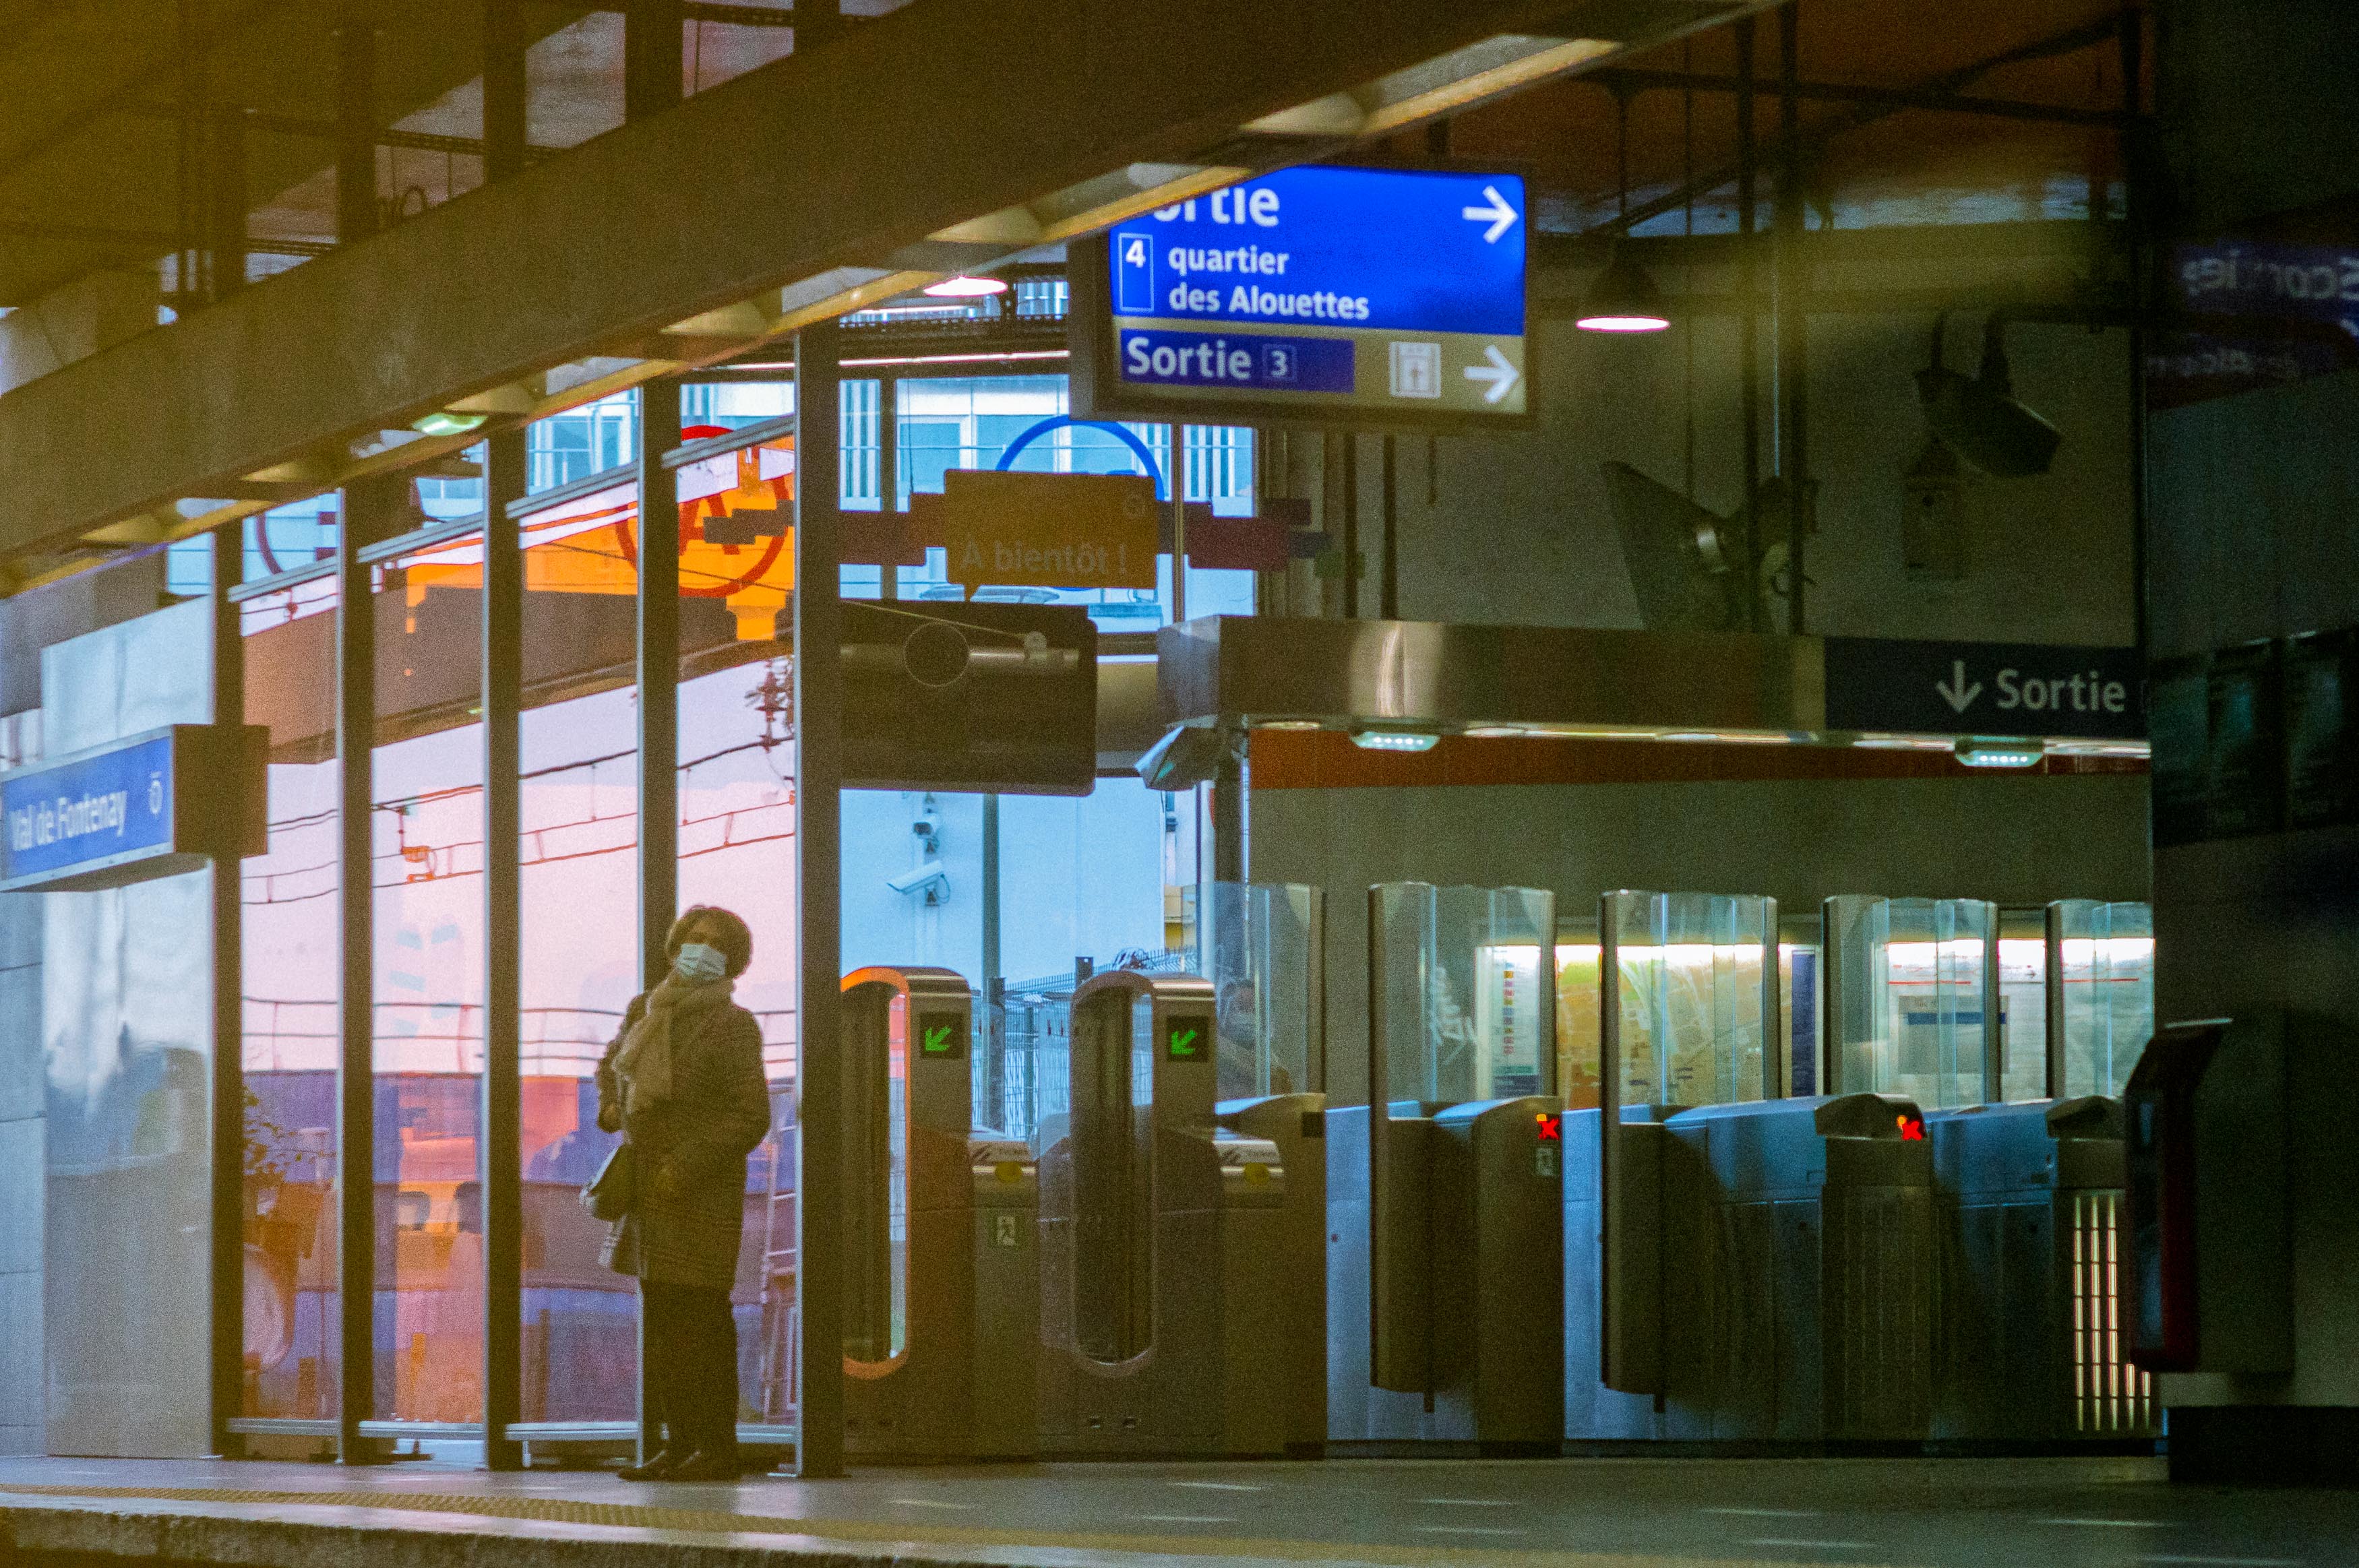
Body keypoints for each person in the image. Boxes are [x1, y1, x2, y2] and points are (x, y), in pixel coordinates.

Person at [596, 905, 772, 1482]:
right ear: (675, 947)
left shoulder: (733, 1024)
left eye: (715, 942)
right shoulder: (645, 1011)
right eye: (694, 938)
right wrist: (613, 1104)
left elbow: (751, 1116)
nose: (701, 948)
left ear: (734, 959)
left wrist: (685, 1164)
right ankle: (678, 1442)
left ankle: (716, 1447)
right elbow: (610, 1066)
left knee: (702, 1321)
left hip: (700, 1192)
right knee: (665, 1320)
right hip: (650, 1187)